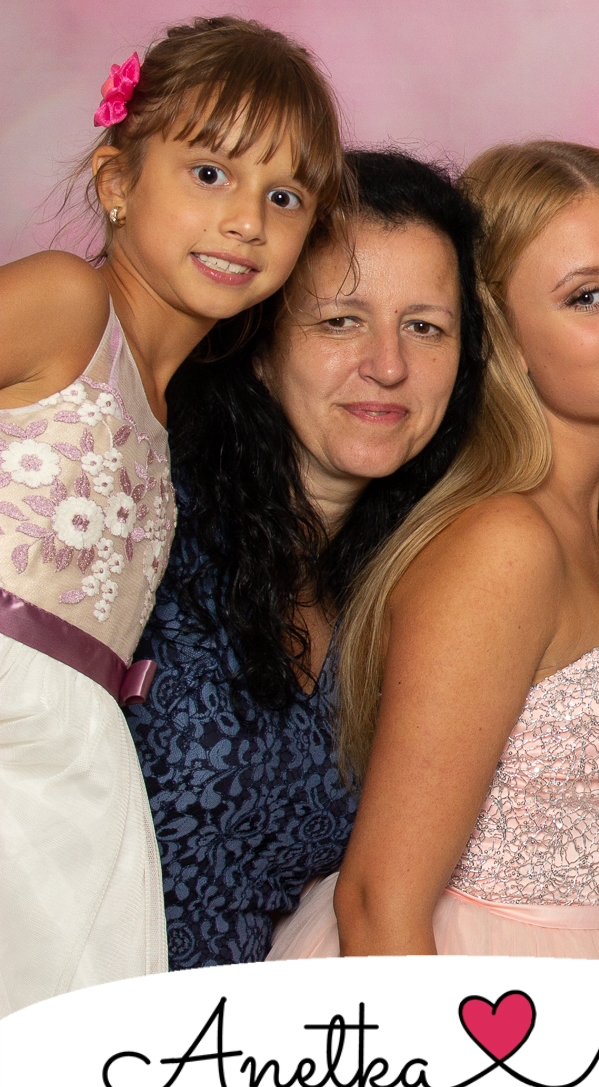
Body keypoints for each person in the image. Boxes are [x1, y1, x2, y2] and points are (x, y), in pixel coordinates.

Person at [267, 141, 599, 961]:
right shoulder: (503, 543)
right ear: (502, 336)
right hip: (461, 974)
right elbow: (378, 901)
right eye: (588, 295)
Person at [0, 17, 344, 1016]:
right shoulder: (67, 303)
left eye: (283, 196)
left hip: (75, 773)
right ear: (117, 180)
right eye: (209, 173)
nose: (246, 220)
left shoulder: (164, 415)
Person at [126, 150, 484, 969]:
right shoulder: (143, 511)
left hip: (220, 1035)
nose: (388, 365)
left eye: (425, 327)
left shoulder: (414, 586)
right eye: (340, 320)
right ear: (260, 343)